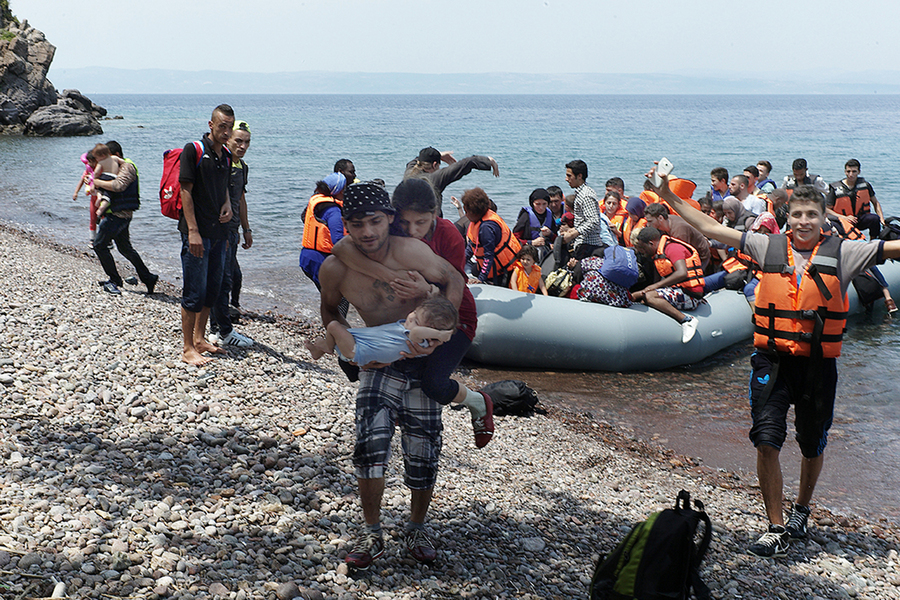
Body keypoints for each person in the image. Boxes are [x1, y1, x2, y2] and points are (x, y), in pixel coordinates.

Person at [647, 167, 900, 559]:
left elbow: (895, 249)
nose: (803, 222)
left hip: (817, 366)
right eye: (796, 215)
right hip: (772, 360)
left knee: (812, 443)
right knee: (766, 440)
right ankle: (775, 525)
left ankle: (801, 510)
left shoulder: (847, 252)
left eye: (811, 215)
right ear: (788, 217)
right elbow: (713, 229)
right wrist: (668, 195)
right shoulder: (768, 247)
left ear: (823, 218)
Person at [317, 182, 466, 570]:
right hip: (380, 362)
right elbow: (331, 311)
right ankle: (371, 531)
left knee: (423, 448)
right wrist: (349, 348)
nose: (367, 232)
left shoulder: (412, 252)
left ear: (389, 220)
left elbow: (456, 280)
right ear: (345, 223)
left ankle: (416, 526)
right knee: (371, 442)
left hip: (421, 357)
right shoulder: (335, 268)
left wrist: (443, 335)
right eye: (357, 224)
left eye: (375, 222)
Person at [330, 177, 494, 448]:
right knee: (349, 361)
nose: (413, 230)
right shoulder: (391, 230)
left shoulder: (448, 234)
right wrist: (386, 275)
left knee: (433, 384)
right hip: (409, 318)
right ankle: (396, 408)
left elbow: (454, 283)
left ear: (435, 214)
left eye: (421, 222)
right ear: (394, 217)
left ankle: (478, 401)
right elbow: (341, 248)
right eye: (405, 222)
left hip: (455, 317)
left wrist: (433, 308)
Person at [178, 104, 235, 366]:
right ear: (211, 125)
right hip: (197, 233)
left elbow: (223, 186)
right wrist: (192, 231)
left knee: (212, 289)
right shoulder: (194, 150)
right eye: (222, 126)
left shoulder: (225, 154)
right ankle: (188, 347)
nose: (226, 132)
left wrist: (227, 203)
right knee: (194, 290)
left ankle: (200, 339)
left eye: (229, 127)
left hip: (219, 232)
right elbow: (185, 190)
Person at [90, 141, 158, 297]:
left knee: (99, 245)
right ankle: (148, 277)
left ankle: (114, 280)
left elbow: (118, 186)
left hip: (118, 216)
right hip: (118, 214)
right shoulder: (116, 167)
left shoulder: (127, 167)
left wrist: (96, 182)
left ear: (117, 155)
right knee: (125, 248)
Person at [210, 119, 254, 348]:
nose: (243, 146)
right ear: (228, 139)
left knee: (232, 276)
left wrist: (246, 229)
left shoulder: (241, 166)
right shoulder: (221, 162)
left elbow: (241, 199)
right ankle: (220, 330)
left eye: (247, 142)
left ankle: (221, 323)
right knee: (223, 279)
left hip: (233, 231)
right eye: (239, 140)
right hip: (219, 231)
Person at [306, 296, 456, 363]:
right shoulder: (407, 328)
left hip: (356, 351)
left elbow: (417, 332)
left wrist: (441, 334)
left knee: (333, 325)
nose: (411, 317)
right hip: (355, 344)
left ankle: (327, 347)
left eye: (417, 320)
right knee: (341, 328)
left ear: (429, 332)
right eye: (415, 312)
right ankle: (318, 351)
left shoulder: (418, 339)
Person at [632, 226, 705, 343]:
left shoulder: (672, 248)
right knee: (643, 300)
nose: (642, 251)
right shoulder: (659, 254)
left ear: (651, 243)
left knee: (650, 296)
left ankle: (687, 320)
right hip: (679, 291)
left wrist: (655, 286)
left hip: (690, 295)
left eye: (643, 247)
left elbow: (682, 273)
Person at [404, 146, 499, 208]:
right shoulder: (434, 179)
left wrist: (438, 155)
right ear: (434, 165)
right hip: (428, 227)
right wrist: (489, 161)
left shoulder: (409, 172)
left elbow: (415, 160)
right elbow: (466, 164)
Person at [463, 187, 521, 286]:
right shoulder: (478, 220)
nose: (465, 214)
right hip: (490, 266)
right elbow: (471, 247)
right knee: (473, 270)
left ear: (474, 212)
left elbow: (488, 256)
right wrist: (459, 261)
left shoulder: (487, 228)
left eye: (466, 211)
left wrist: (480, 279)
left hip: (503, 271)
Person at [298, 172, 347, 289]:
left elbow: (304, 217)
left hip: (307, 258)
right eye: (345, 188)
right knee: (340, 297)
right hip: (319, 260)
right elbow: (338, 241)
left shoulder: (318, 203)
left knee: (329, 296)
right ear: (340, 191)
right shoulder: (333, 211)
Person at [825, 158, 884, 240]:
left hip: (860, 219)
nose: (851, 174)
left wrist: (882, 219)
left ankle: (873, 242)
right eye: (848, 171)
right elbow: (827, 209)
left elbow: (875, 202)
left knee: (874, 219)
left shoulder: (865, 185)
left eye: (854, 171)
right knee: (834, 225)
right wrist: (843, 217)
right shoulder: (835, 188)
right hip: (843, 221)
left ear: (859, 172)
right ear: (845, 172)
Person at [644, 202, 711, 271]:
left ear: (660, 218)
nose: (648, 225)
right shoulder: (668, 220)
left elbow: (682, 255)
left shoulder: (679, 232)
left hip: (701, 258)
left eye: (650, 221)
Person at [562, 160, 605, 258]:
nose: (566, 179)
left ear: (579, 176)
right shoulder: (582, 193)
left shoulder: (586, 195)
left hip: (588, 245)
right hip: (585, 244)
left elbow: (593, 221)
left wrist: (575, 233)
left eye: (569, 176)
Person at [513, 188, 557, 262]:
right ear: (532, 203)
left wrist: (550, 234)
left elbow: (556, 238)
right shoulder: (525, 216)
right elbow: (514, 240)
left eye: (544, 204)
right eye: (538, 204)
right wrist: (532, 242)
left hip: (545, 252)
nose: (541, 207)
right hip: (527, 255)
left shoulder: (550, 215)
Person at [73, 150, 100, 241]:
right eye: (88, 161)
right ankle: (92, 239)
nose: (90, 163)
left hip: (102, 198)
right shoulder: (88, 170)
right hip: (93, 198)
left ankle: (107, 240)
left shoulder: (102, 169)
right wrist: (76, 192)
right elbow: (81, 181)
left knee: (103, 219)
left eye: (92, 162)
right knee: (92, 218)